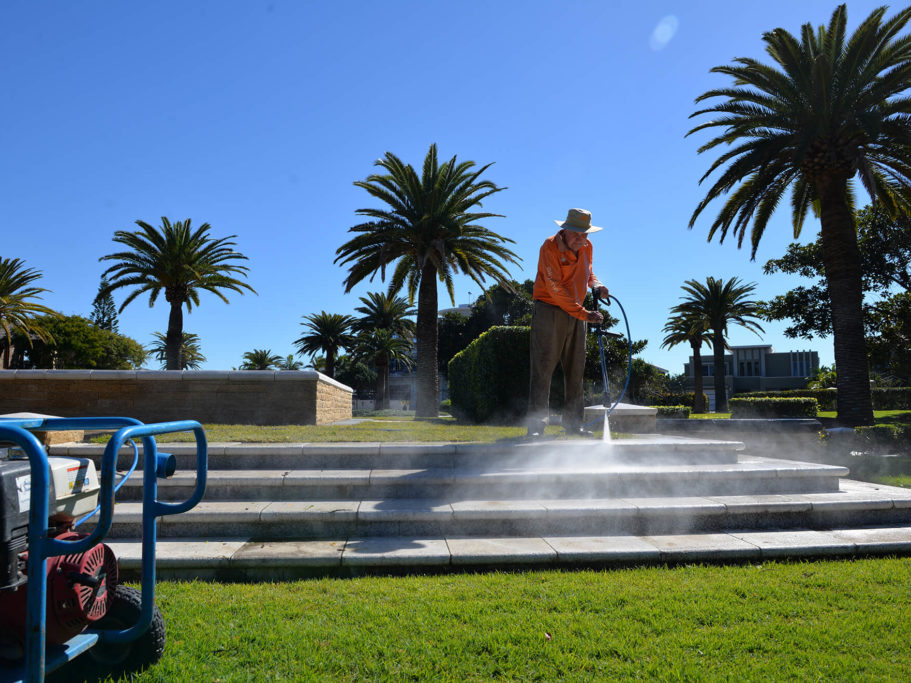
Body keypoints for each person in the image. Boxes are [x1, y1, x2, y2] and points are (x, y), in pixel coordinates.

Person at [527, 208, 609, 438]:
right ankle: (536, 426)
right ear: (564, 230)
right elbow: (555, 289)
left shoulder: (587, 246)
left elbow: (588, 271)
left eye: (586, 234)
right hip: (549, 310)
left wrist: (597, 286)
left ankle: (574, 424)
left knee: (576, 369)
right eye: (577, 234)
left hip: (577, 312)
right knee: (543, 368)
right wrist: (584, 313)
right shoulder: (549, 247)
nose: (582, 239)